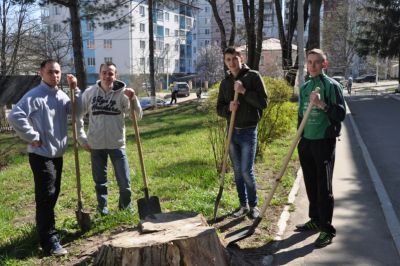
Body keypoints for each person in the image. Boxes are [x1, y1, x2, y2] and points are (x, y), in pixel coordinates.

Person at [7, 59, 80, 256]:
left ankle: (44, 228)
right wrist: (32, 136)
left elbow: (77, 111)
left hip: (57, 154)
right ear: (41, 73)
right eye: (50, 72)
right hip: (41, 155)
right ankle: (49, 241)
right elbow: (14, 115)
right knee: (46, 196)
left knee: (53, 194)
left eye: (57, 72)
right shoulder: (35, 95)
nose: (54, 76)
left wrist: (76, 90)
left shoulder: (62, 95)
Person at [77, 62, 142, 215]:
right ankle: (102, 209)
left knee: (124, 181)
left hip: (117, 144)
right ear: (100, 74)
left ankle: (125, 209)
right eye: (104, 73)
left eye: (110, 73)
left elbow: (137, 116)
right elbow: (77, 115)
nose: (107, 76)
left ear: (115, 75)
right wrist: (81, 138)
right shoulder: (90, 93)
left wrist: (133, 99)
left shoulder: (123, 94)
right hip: (96, 144)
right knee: (100, 181)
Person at [296, 48, 346, 248]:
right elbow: (301, 115)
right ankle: (315, 218)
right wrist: (298, 137)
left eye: (317, 62)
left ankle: (326, 229)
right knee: (310, 183)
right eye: (309, 62)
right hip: (306, 142)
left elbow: (340, 114)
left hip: (323, 141)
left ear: (324, 64)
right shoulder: (305, 87)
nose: (313, 66)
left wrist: (322, 105)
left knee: (323, 187)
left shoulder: (332, 86)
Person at [217, 47, 268, 219]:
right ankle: (243, 205)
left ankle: (254, 205)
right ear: (225, 62)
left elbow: (263, 103)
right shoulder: (225, 83)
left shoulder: (252, 77)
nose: (232, 62)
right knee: (238, 171)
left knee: (246, 171)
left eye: (234, 58)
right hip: (232, 132)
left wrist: (244, 91)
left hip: (248, 131)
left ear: (241, 58)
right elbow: (219, 107)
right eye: (228, 60)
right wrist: (228, 109)